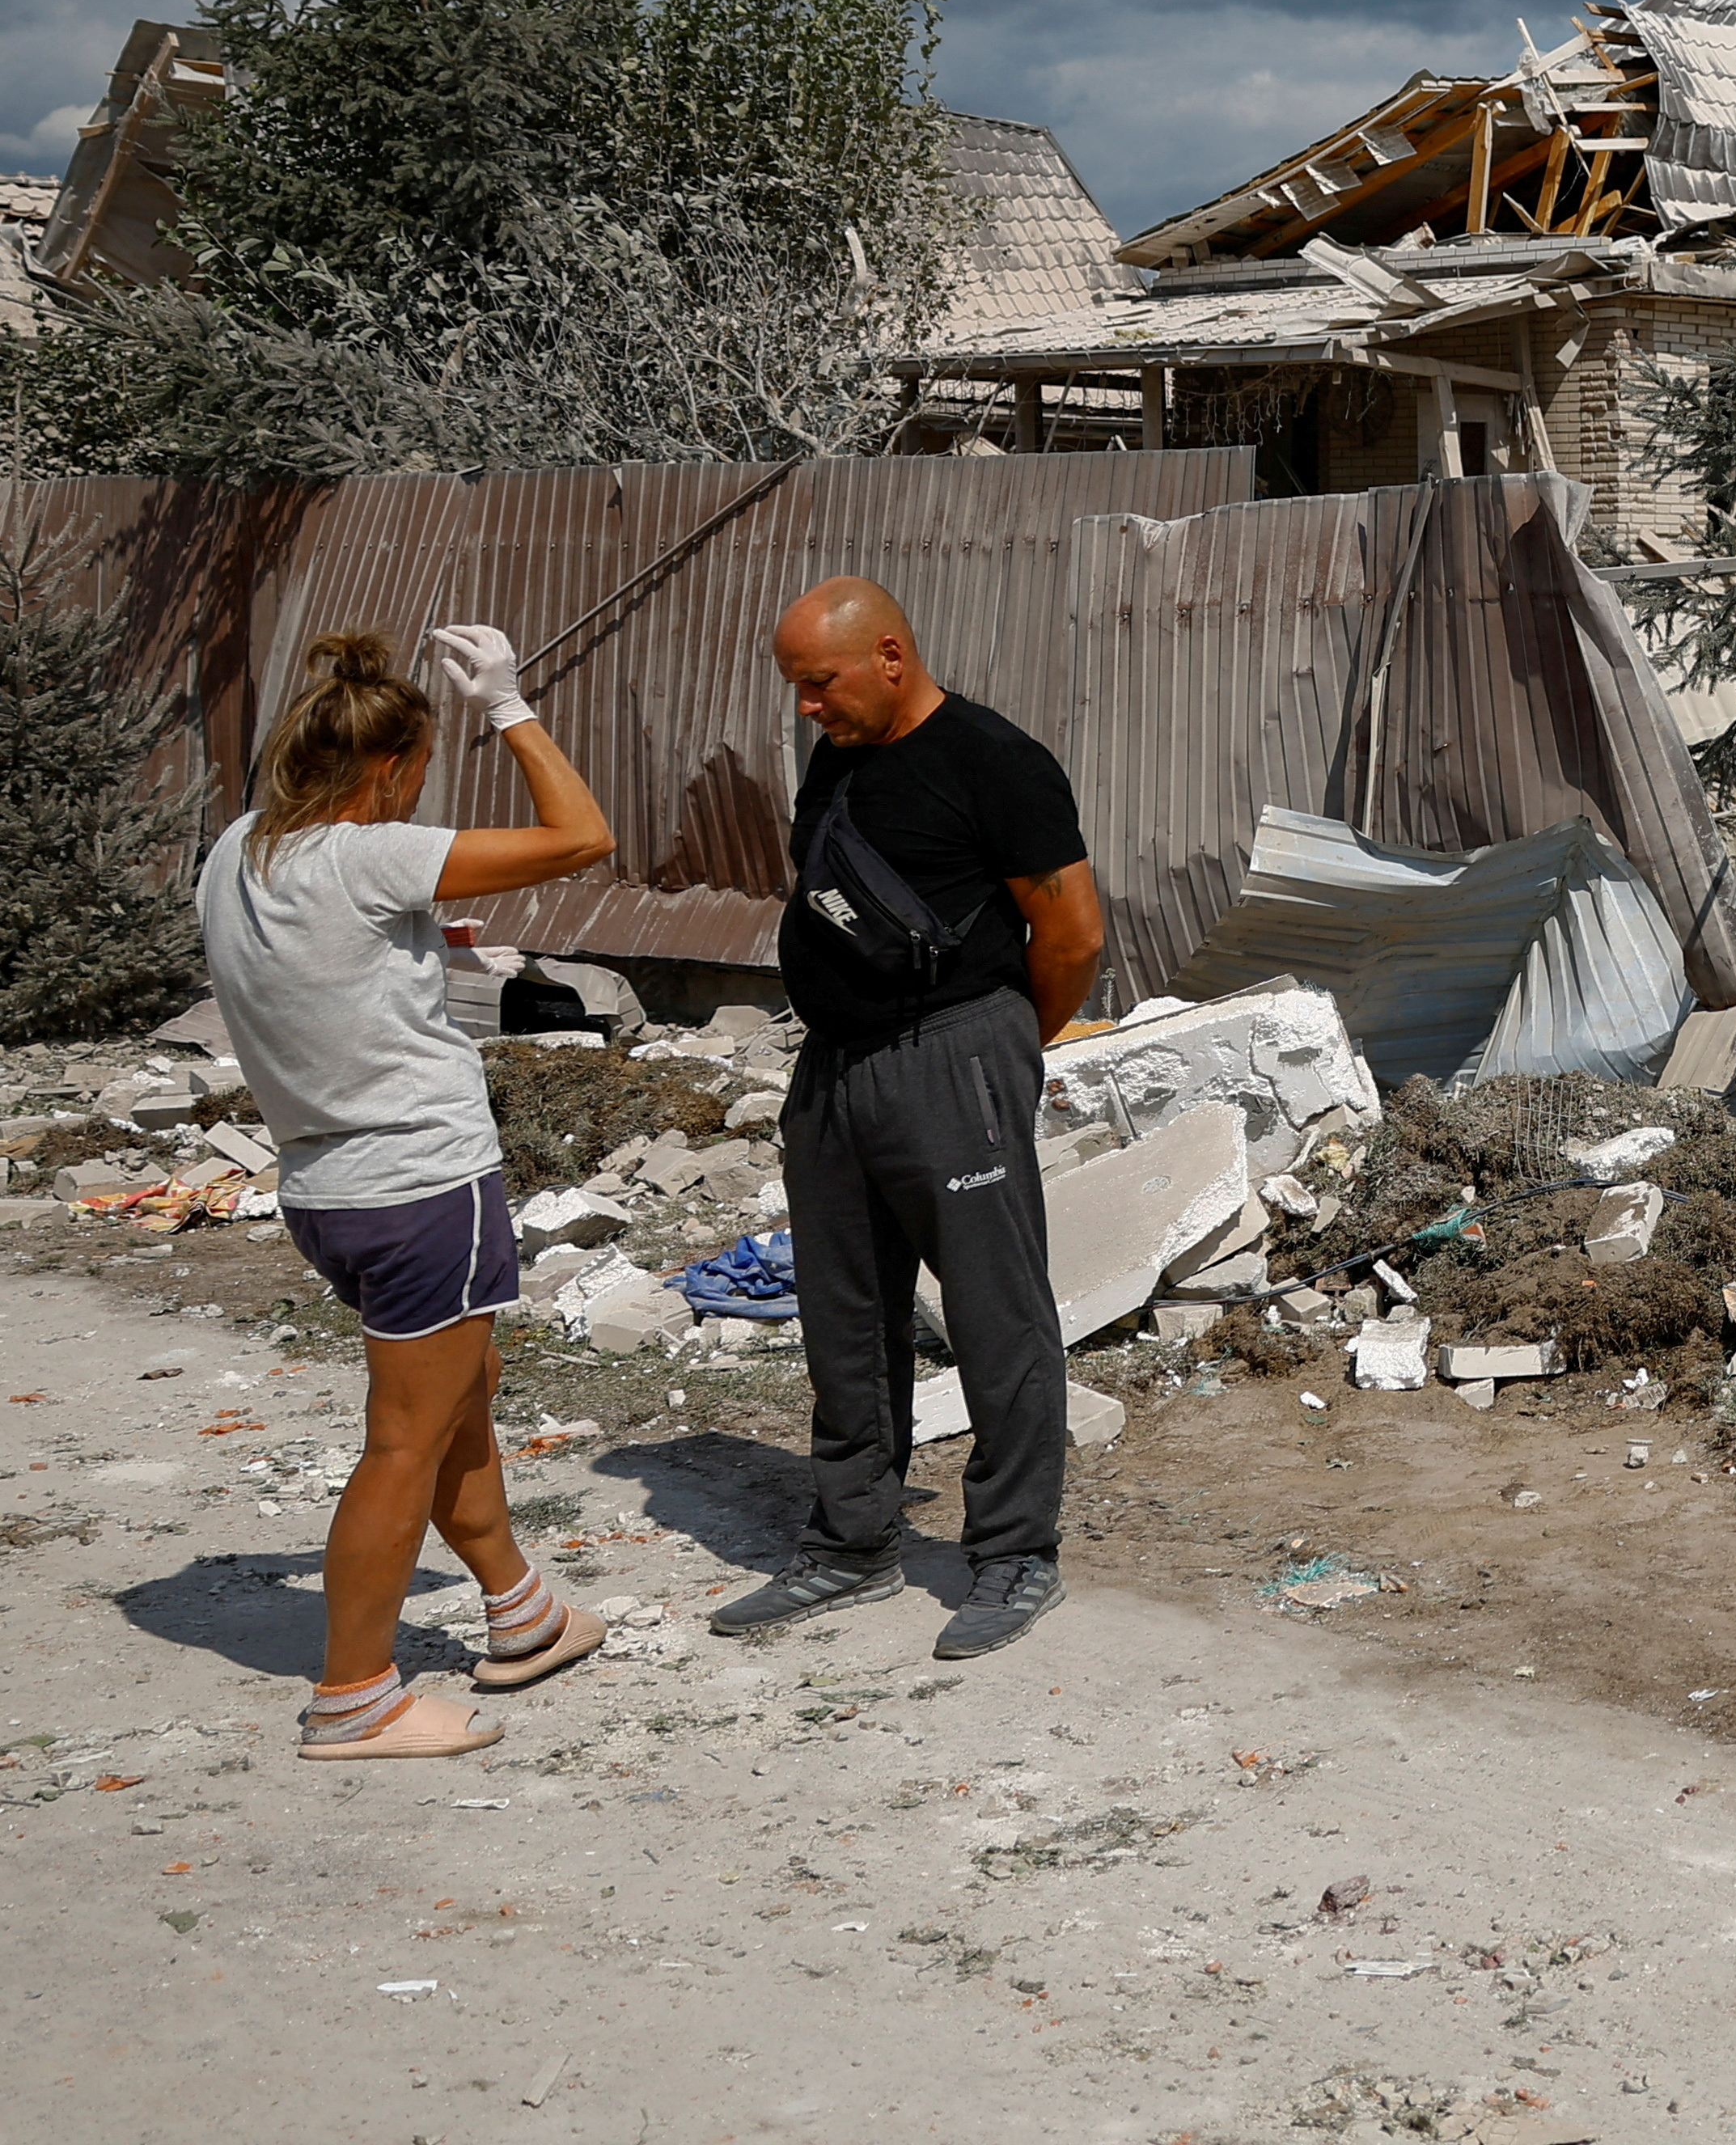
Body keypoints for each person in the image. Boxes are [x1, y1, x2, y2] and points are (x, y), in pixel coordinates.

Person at [197, 625, 620, 1762]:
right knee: (405, 1439)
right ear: (390, 770)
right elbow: (582, 836)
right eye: (420, 772)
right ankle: (355, 1697)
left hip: (326, 1192)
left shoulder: (234, 852)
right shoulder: (368, 857)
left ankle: (521, 1613)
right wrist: (511, 709)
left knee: (461, 1392)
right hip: (424, 1184)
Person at [711, 577, 1105, 1661]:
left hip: (952, 1060)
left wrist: (1003, 1049)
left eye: (820, 683)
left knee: (994, 1311)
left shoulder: (995, 761)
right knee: (844, 1313)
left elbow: (1070, 934)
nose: (806, 708)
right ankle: (853, 1544)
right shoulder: (840, 756)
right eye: (796, 688)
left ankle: (1015, 1552)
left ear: (891, 654)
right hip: (834, 1073)